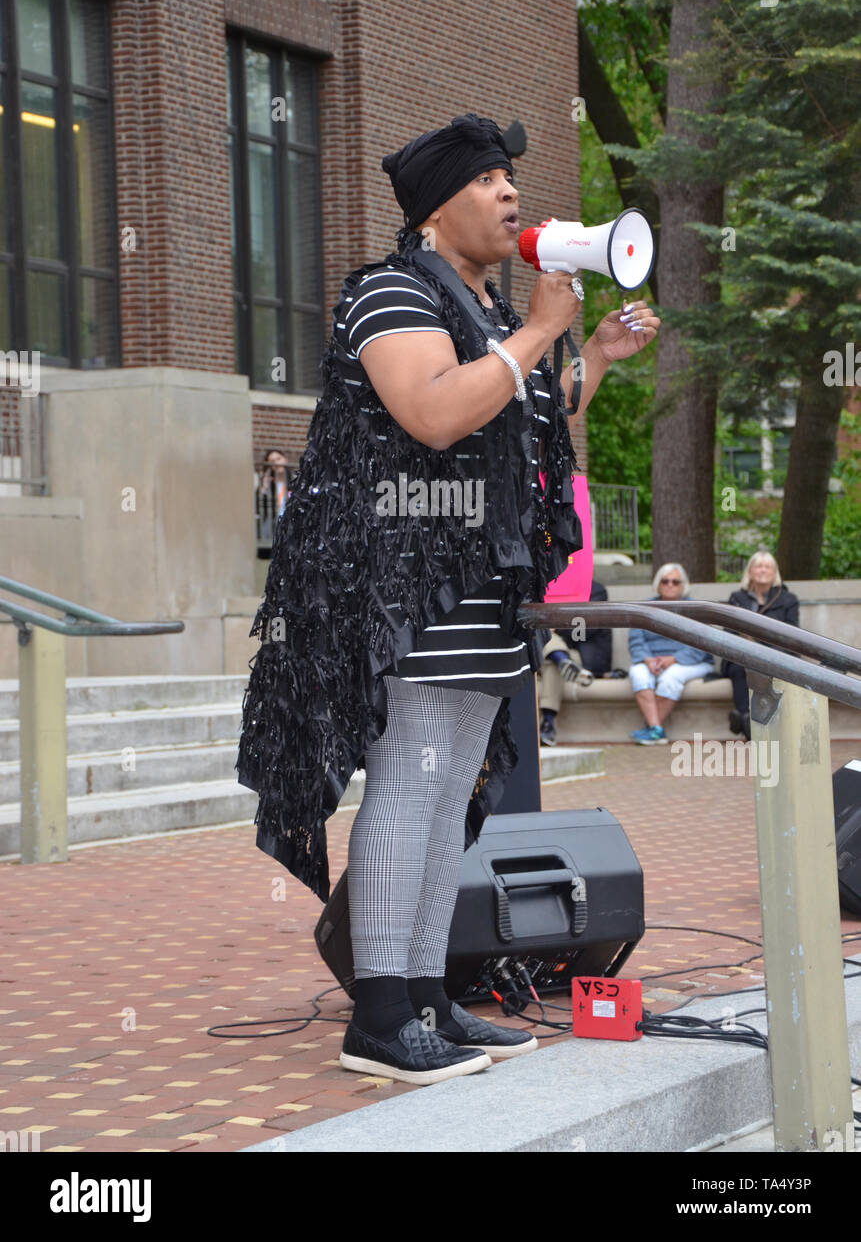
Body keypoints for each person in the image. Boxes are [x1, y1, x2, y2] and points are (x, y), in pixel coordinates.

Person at [235, 112, 659, 1086]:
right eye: (491, 180)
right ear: (437, 209)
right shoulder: (388, 293)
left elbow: (519, 418)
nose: (514, 194)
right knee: (408, 789)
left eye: (515, 179)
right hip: (403, 591)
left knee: (448, 799)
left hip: (479, 591)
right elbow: (431, 412)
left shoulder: (494, 318)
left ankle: (427, 996)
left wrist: (583, 348)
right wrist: (545, 330)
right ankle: (380, 1014)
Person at [627, 563, 713, 744]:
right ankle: (657, 730)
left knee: (672, 677)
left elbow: (701, 643)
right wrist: (648, 660)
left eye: (675, 582)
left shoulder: (696, 608)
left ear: (683, 585)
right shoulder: (644, 608)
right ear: (658, 584)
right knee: (638, 673)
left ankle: (651, 729)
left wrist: (673, 659)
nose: (670, 585)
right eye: (665, 581)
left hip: (691, 663)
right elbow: (636, 640)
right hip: (652, 661)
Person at [723, 551, 799, 740]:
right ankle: (746, 716)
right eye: (758, 566)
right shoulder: (737, 599)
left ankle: (747, 724)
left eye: (767, 566)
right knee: (739, 667)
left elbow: (794, 635)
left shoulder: (788, 600)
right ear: (749, 571)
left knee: (775, 667)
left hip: (777, 654)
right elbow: (729, 633)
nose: (763, 570)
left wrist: (769, 654)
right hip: (743, 654)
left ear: (775, 573)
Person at [538, 580, 612, 746]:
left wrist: (554, 626)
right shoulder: (544, 586)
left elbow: (587, 626)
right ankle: (547, 724)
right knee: (544, 637)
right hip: (539, 656)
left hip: (577, 655)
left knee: (551, 653)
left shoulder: (596, 590)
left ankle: (561, 661)